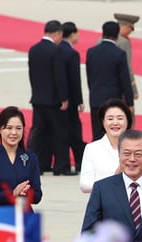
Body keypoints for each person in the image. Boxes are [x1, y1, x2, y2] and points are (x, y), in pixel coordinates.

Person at [27, 20, 75, 176]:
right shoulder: (56, 51)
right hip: (54, 100)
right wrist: (64, 98)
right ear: (57, 34)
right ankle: (61, 166)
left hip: (38, 98)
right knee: (59, 132)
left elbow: (32, 75)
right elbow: (59, 77)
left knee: (38, 134)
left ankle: (34, 165)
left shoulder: (33, 49)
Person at [0, 106, 43, 208]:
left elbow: (38, 195)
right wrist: (12, 194)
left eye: (18, 128)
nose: (14, 133)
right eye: (9, 128)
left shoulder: (31, 158)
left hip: (22, 215)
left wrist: (26, 193)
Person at [79, 99, 141, 193]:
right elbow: (84, 185)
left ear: (127, 121)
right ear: (103, 122)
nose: (115, 123)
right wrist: (114, 180)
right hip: (103, 204)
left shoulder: (137, 147)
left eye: (120, 118)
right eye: (110, 119)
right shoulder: (92, 148)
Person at [86, 21, 134, 141]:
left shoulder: (91, 52)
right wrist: (130, 102)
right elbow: (125, 80)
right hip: (113, 101)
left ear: (103, 33)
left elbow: (89, 76)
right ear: (117, 34)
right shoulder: (119, 54)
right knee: (113, 134)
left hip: (95, 98)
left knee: (97, 134)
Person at [59, 21, 86, 173]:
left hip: (56, 100)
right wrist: (80, 101)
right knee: (75, 131)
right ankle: (80, 161)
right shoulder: (71, 53)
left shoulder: (56, 49)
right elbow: (75, 80)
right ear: (73, 34)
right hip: (70, 99)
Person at [114, 13, 141, 102]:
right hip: (120, 86)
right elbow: (127, 67)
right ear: (124, 26)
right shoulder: (124, 42)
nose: (131, 31)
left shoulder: (101, 40)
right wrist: (133, 89)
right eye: (130, 28)